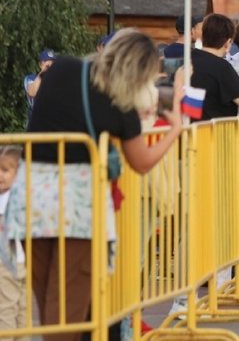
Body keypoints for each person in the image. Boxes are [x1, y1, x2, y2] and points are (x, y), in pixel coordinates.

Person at [5, 29, 184, 339]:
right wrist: (175, 129)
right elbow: (141, 162)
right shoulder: (120, 105)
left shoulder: (62, 68)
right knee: (68, 306)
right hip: (77, 207)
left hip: (29, 195)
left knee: (47, 299)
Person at [190, 14, 239, 120]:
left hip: (188, 131)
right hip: (216, 132)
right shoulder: (221, 67)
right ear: (228, 42)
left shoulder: (187, 59)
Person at [0, 145, 25, 337]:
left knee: (12, 308)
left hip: (11, 260)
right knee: (14, 307)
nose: (0, 175)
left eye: (5, 170)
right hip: (16, 260)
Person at [23, 49, 55, 124]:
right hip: (36, 125)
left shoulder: (56, 81)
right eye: (47, 65)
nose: (51, 66)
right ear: (40, 64)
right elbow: (32, 92)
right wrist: (43, 73)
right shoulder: (31, 78)